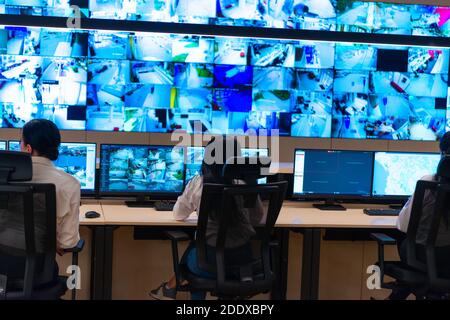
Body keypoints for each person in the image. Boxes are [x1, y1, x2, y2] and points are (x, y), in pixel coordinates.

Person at [150, 136, 264, 300]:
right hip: (242, 263)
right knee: (199, 247)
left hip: (208, 265)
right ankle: (170, 287)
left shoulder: (199, 183)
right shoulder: (246, 184)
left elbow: (178, 214)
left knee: (196, 248)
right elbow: (257, 218)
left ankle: (172, 288)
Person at [0, 119, 81, 282]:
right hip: (36, 272)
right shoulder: (69, 184)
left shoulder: (4, 177)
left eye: (20, 142)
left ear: (28, 148)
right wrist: (54, 241)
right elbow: (68, 242)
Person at [388, 131, 450, 299]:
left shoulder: (428, 182)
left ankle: (403, 291)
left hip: (423, 257)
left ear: (442, 153)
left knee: (406, 242)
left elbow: (402, 225)